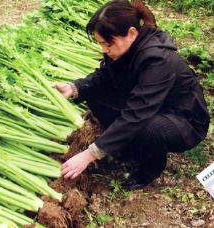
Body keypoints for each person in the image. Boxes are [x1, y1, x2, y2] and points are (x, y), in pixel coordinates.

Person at [53, 0, 210, 189]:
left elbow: (137, 114)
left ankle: (147, 170)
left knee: (149, 127)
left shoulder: (157, 60)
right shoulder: (124, 47)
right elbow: (105, 75)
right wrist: (75, 87)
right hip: (153, 104)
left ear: (132, 33)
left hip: (184, 120)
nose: (104, 49)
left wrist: (90, 154)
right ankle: (126, 147)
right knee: (94, 94)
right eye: (101, 43)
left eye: (108, 43)